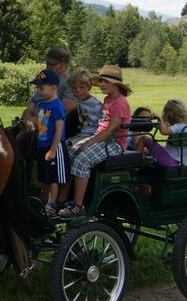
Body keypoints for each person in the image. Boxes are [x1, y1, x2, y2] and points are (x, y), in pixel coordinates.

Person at [58, 65, 132, 218]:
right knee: (66, 155)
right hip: (102, 139)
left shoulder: (119, 102)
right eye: (101, 81)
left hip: (114, 143)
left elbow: (110, 130)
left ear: (116, 84)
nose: (102, 84)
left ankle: (78, 206)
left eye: (105, 81)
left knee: (82, 160)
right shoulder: (108, 99)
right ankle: (63, 197)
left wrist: (87, 143)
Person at [30, 69, 68, 218]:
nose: (38, 91)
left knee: (52, 178)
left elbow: (59, 130)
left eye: (41, 87)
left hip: (53, 146)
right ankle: (44, 200)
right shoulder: (42, 104)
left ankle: (52, 204)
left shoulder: (57, 105)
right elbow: (41, 123)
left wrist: (53, 150)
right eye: (37, 87)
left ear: (53, 87)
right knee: (44, 178)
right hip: (42, 144)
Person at [135, 99, 187, 167]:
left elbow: (164, 131)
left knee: (143, 138)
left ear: (171, 116)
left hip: (167, 160)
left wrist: (159, 118)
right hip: (180, 163)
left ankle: (134, 164)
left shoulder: (178, 126)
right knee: (160, 147)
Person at [67, 68, 103, 149]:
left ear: (89, 87)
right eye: (74, 88)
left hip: (92, 136)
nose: (78, 90)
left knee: (69, 149)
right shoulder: (78, 101)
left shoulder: (96, 105)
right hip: (81, 134)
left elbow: (103, 125)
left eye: (82, 87)